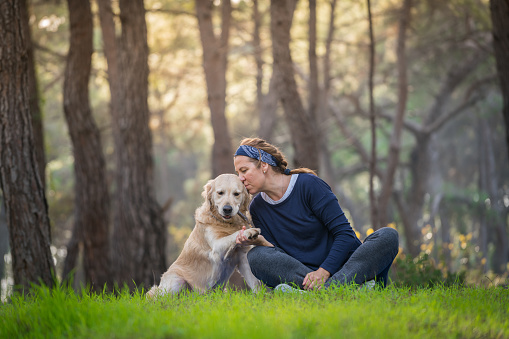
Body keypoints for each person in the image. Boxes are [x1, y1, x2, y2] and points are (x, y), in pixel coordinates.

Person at [233, 137, 399, 292]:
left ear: (263, 165)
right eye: (238, 173)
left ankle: (330, 289)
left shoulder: (308, 185)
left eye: (244, 170)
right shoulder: (258, 207)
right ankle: (343, 290)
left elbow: (345, 235)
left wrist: (324, 272)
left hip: (347, 268)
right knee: (256, 256)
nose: (240, 178)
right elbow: (281, 257)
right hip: (307, 276)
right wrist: (261, 242)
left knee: (388, 235)